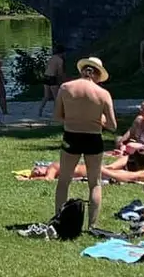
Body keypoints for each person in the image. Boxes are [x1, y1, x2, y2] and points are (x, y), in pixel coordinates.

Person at [52, 57, 117, 232]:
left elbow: (57, 116)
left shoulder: (65, 88)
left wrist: (74, 118)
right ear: (97, 74)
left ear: (82, 70)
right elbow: (112, 125)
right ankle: (92, 225)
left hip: (71, 135)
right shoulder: (102, 93)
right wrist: (99, 120)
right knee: (95, 182)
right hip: (93, 138)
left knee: (64, 181)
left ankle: (58, 219)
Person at [37, 45, 67, 118]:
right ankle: (57, 112)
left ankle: (40, 110)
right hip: (52, 78)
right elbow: (60, 72)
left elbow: (47, 67)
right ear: (62, 53)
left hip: (46, 76)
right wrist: (63, 80)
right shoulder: (60, 60)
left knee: (46, 96)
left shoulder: (52, 58)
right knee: (56, 97)